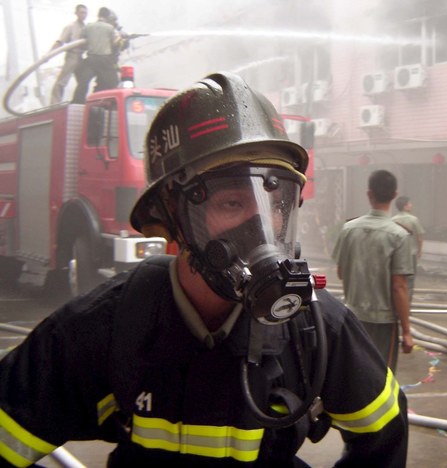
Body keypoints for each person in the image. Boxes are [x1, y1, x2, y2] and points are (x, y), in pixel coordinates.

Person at [0, 73, 408, 467]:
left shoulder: (318, 329)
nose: (261, 229)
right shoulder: (102, 328)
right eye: (232, 203)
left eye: (275, 203)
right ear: (174, 217)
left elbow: (384, 435)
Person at [332, 170, 415, 373]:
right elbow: (399, 287)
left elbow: (341, 273)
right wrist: (407, 331)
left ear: (369, 194)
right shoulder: (399, 235)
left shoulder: (348, 230)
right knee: (381, 377)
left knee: (354, 373)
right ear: (394, 195)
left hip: (351, 316)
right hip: (383, 322)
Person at [71, 7, 122, 104]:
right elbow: (116, 43)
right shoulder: (110, 28)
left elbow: (82, 43)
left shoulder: (88, 27)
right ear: (107, 17)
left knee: (82, 83)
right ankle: (114, 104)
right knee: (114, 86)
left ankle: (78, 102)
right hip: (105, 61)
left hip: (91, 60)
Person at [50, 4, 88, 105]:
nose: (83, 15)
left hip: (81, 57)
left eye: (85, 13)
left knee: (83, 82)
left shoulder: (86, 27)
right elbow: (60, 42)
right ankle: (54, 104)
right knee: (62, 82)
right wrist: (49, 54)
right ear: (76, 13)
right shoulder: (70, 27)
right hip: (72, 56)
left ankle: (79, 102)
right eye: (81, 12)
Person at [392, 195, 425, 304]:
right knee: (409, 281)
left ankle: (396, 305)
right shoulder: (414, 219)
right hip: (411, 254)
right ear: (405, 206)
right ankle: (407, 306)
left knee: (397, 279)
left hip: (397, 255)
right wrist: (420, 250)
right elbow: (419, 237)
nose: (411, 205)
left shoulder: (393, 220)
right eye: (409, 203)